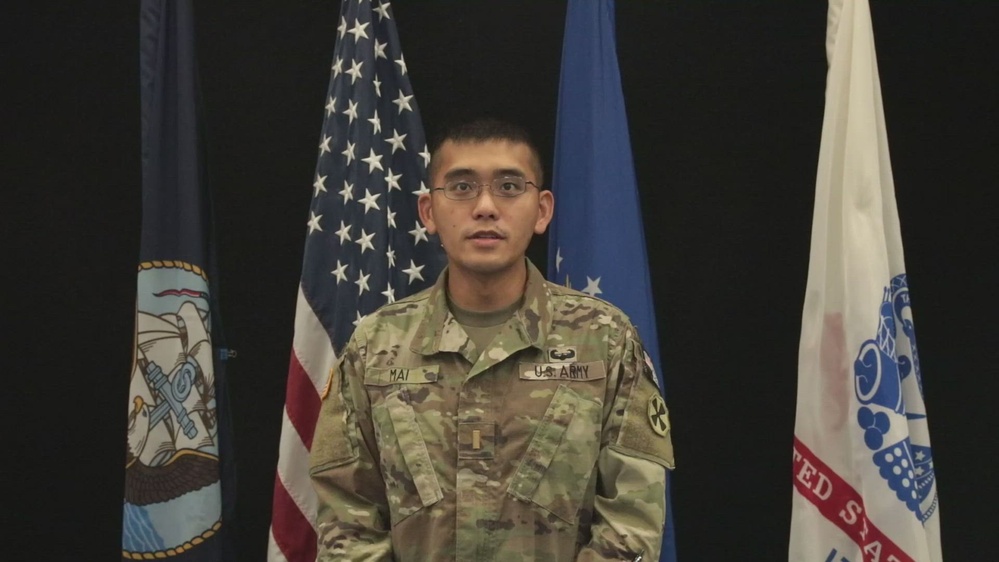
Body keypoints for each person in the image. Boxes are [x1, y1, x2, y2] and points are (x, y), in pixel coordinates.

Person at [309, 118, 674, 561]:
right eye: (461, 187)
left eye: (508, 186)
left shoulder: (605, 340)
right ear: (428, 212)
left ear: (542, 211)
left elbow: (631, 520)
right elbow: (346, 519)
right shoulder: (374, 346)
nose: (485, 206)